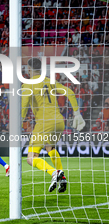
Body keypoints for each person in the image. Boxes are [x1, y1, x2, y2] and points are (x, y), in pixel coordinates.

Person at [22, 58, 85, 193]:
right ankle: (62, 178)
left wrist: (19, 121)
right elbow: (70, 92)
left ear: (28, 69)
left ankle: (53, 173)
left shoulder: (28, 84)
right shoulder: (50, 81)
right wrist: (77, 114)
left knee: (31, 158)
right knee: (50, 147)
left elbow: (24, 105)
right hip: (59, 122)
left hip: (44, 123)